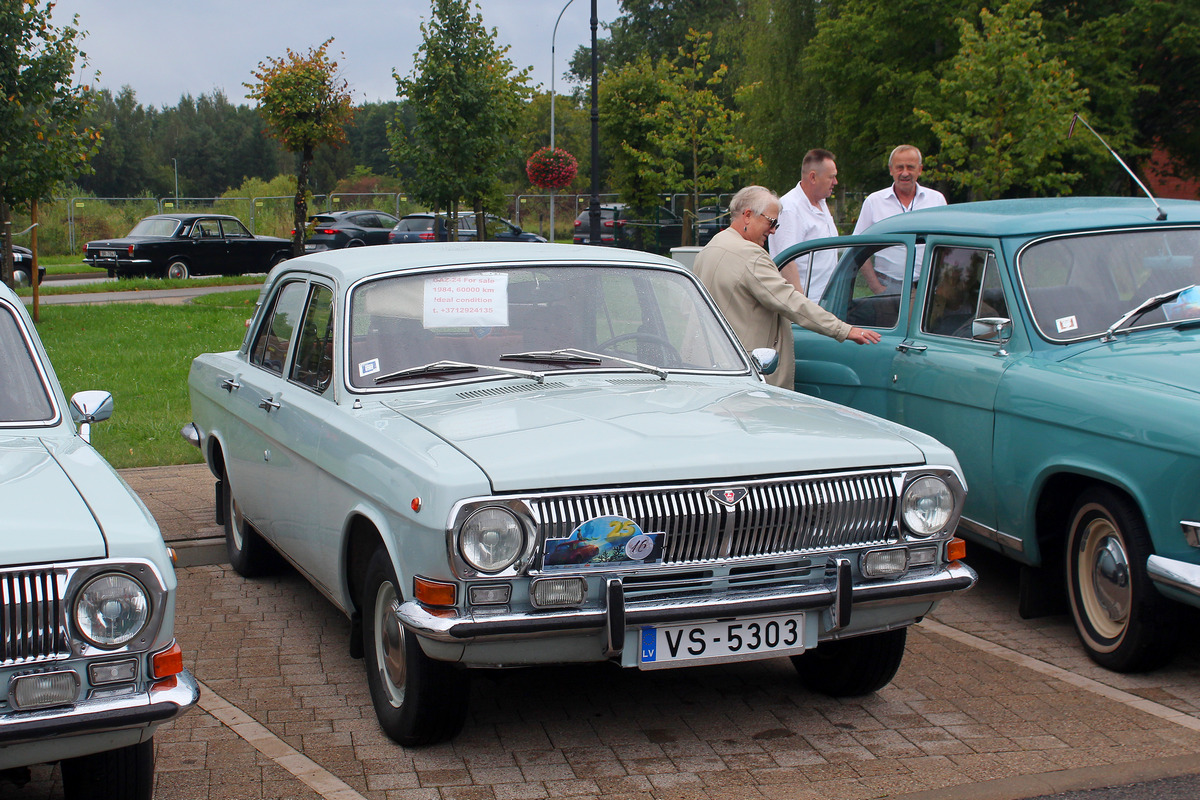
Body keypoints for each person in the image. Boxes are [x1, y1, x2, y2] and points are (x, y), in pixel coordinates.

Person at [695, 185, 881, 390]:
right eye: (771, 222)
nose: (773, 230)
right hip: (749, 371)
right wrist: (844, 330)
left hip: (711, 364)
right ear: (748, 215)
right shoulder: (751, 255)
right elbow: (790, 302)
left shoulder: (711, 247)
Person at [853, 145, 948, 294]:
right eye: (899, 167)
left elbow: (949, 244)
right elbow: (857, 246)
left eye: (910, 167)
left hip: (927, 287)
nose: (905, 173)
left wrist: (942, 281)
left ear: (920, 169)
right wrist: (876, 287)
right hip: (887, 286)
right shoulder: (874, 201)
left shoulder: (936, 200)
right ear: (891, 170)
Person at [768, 149, 841, 301]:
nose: (835, 182)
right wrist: (802, 307)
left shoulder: (821, 202)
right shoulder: (790, 209)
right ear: (813, 177)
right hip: (808, 307)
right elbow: (786, 262)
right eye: (831, 177)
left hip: (827, 302)